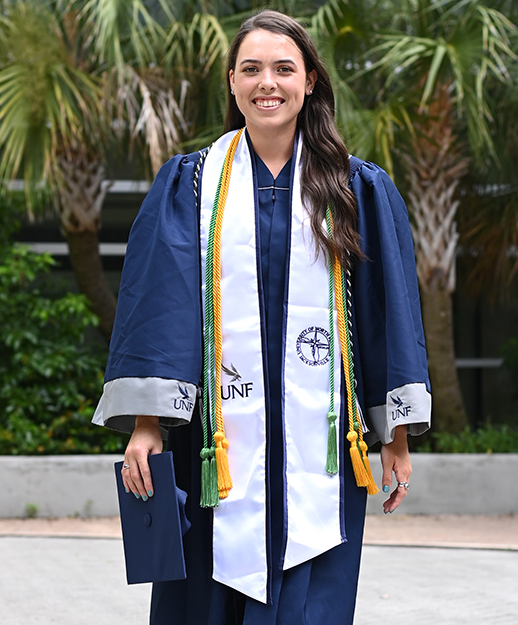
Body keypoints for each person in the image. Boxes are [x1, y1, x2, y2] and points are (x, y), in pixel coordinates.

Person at [92, 9, 431, 625]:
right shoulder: (190, 186)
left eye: (283, 69)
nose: (266, 83)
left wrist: (397, 436)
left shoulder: (354, 189)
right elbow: (160, 307)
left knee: (310, 594)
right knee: (204, 595)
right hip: (215, 443)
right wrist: (147, 424)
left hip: (324, 442)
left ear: (308, 83)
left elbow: (387, 313)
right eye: (251, 69)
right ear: (231, 83)